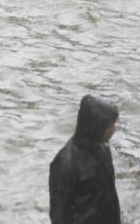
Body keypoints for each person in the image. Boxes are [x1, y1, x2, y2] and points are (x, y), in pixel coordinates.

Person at [49, 94, 121, 224]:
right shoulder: (65, 163)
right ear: (96, 128)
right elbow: (59, 214)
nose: (114, 130)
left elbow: (111, 197)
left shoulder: (103, 150)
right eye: (110, 127)